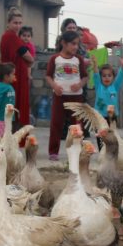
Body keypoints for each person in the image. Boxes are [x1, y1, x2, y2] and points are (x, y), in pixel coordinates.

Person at [45, 30, 88, 160]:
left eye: (77, 44)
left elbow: (85, 77)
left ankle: (77, 151)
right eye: (73, 44)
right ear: (64, 43)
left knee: (77, 125)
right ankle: (53, 152)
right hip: (60, 97)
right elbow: (48, 76)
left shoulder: (79, 59)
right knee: (56, 123)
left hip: (76, 97)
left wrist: (79, 85)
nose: (75, 47)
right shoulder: (55, 59)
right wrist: (55, 86)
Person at [0, 7, 34, 132]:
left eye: (20, 23)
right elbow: (29, 58)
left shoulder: (6, 36)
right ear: (8, 23)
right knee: (16, 108)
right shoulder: (12, 37)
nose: (18, 26)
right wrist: (29, 65)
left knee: (10, 107)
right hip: (15, 78)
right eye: (15, 23)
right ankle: (15, 138)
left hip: (11, 76)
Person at [90, 53, 123, 124]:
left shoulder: (115, 86)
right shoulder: (99, 86)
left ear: (113, 77)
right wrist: (95, 64)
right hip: (100, 116)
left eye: (109, 75)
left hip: (112, 115)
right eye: (104, 76)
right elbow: (96, 74)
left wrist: (122, 65)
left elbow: (120, 76)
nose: (107, 77)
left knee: (112, 133)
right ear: (101, 77)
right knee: (101, 134)